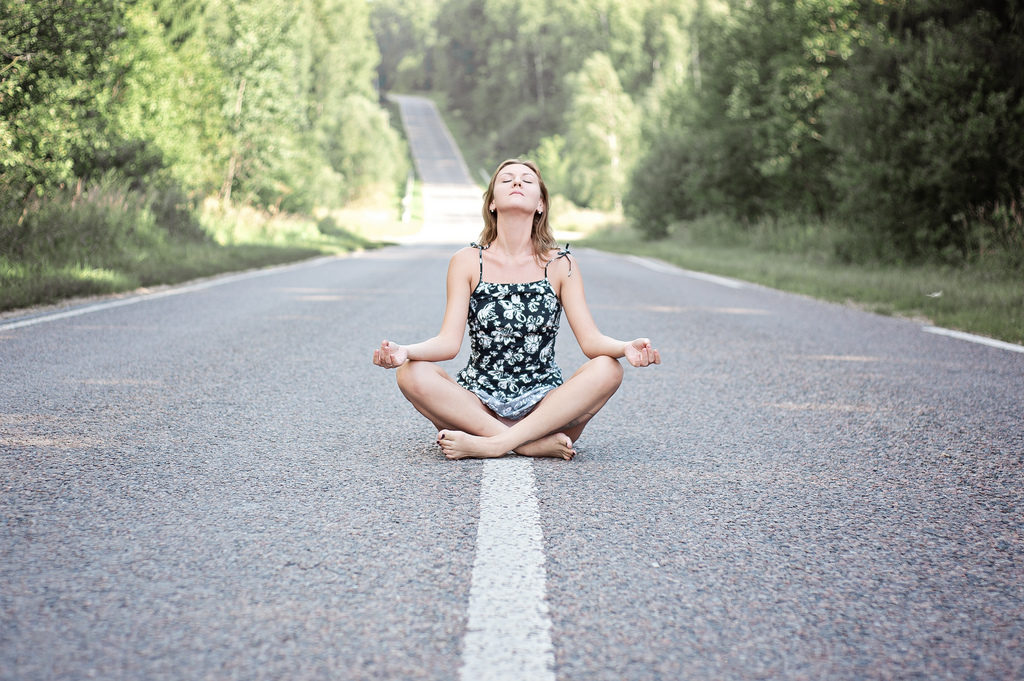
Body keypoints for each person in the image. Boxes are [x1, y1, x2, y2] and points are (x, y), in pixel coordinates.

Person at [373, 159, 660, 460]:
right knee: (410, 373)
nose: (517, 182)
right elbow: (447, 343)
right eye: (507, 179)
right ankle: (526, 445)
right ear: (493, 203)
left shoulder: (561, 264)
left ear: (540, 204)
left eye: (527, 180)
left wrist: (626, 347)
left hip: (545, 409)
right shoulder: (468, 261)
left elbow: (591, 342)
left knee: (608, 368)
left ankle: (493, 444)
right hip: (477, 406)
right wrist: (405, 351)